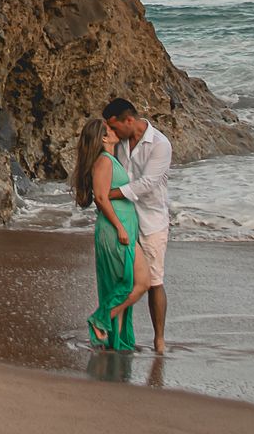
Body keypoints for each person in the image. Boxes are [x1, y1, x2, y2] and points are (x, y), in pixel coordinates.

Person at [70, 117, 150, 350]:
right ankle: (101, 319)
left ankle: (118, 341)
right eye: (110, 129)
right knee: (137, 283)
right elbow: (101, 198)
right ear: (104, 137)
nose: (115, 131)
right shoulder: (104, 161)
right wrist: (120, 227)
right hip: (115, 229)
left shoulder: (110, 159)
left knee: (124, 283)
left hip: (121, 228)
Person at [102, 97, 172, 352]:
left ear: (129, 120)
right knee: (123, 277)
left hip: (152, 221)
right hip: (123, 217)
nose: (112, 132)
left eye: (115, 127)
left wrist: (108, 195)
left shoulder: (160, 145)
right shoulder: (119, 140)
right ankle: (118, 336)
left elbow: (146, 184)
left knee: (153, 281)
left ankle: (159, 339)